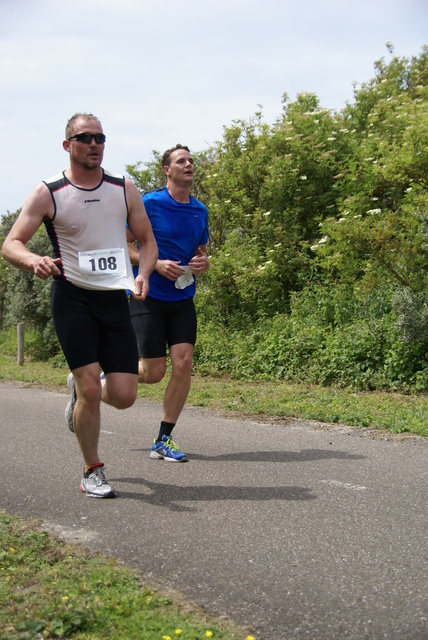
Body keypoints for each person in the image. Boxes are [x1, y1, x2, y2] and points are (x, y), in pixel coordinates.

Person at [1, 112, 158, 498]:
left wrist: (144, 275)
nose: (94, 144)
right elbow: (11, 244)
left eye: (100, 138)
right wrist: (32, 260)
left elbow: (147, 242)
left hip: (115, 300)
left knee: (124, 395)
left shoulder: (124, 188)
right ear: (67, 144)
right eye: (85, 137)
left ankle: (81, 387)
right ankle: (92, 469)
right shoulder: (48, 192)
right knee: (91, 391)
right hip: (73, 299)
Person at [126, 144, 209, 462]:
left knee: (184, 364)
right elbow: (127, 247)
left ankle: (163, 439)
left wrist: (203, 263)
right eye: (181, 161)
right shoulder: (149, 203)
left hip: (182, 296)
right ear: (167, 170)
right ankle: (99, 381)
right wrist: (156, 263)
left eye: (190, 160)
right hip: (148, 294)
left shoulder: (199, 210)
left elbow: (200, 253)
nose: (188, 164)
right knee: (153, 371)